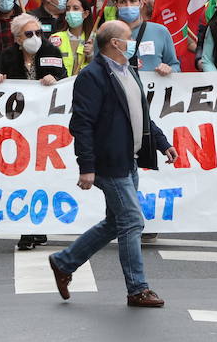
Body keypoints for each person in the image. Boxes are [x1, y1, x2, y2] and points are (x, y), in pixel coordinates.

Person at [47, 21, 177, 307]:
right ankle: (137, 288)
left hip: (128, 159)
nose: (132, 43)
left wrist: (162, 142)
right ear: (115, 44)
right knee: (132, 221)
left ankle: (64, 262)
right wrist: (87, 166)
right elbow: (81, 124)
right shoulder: (92, 76)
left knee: (114, 222)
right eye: (128, 38)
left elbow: (141, 114)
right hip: (109, 163)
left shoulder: (129, 71)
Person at [0, 13, 67, 251]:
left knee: (43, 176)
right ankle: (27, 230)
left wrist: (53, 78)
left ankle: (39, 227)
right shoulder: (8, 56)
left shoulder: (50, 52)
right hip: (19, 127)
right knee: (22, 176)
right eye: (29, 34)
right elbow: (1, 82)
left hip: (45, 125)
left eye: (38, 33)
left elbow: (63, 76)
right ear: (16, 38)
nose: (35, 37)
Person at [115, 0, 180, 74]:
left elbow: (175, 66)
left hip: (153, 87)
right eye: (123, 2)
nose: (128, 6)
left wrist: (169, 69)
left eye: (133, 1)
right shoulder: (106, 34)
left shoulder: (161, 31)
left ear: (141, 3)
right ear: (116, 5)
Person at [51, 0, 93, 76]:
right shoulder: (55, 38)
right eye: (68, 8)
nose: (70, 12)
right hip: (62, 85)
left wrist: (92, 56)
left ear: (85, 14)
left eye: (75, 8)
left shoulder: (94, 39)